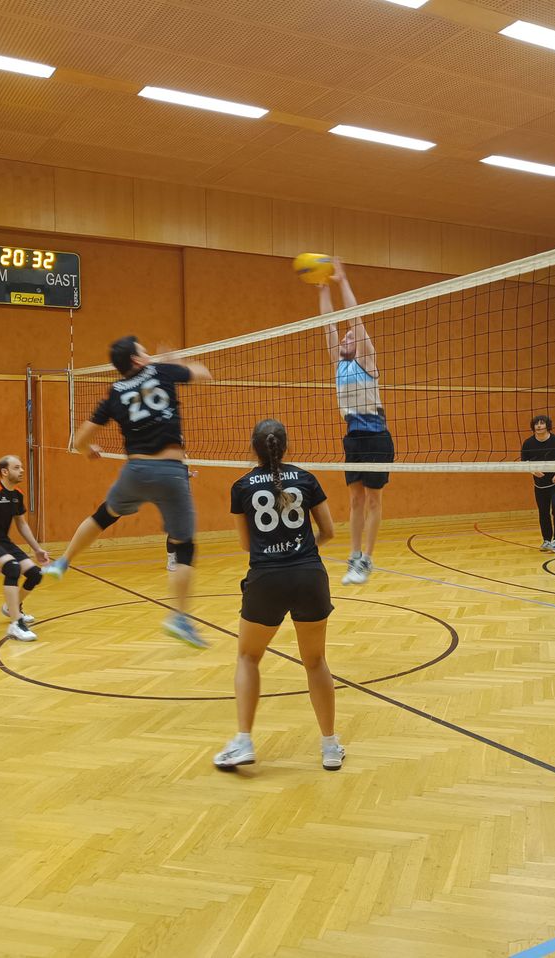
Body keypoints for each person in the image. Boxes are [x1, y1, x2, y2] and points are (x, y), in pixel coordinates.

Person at [43, 336, 212, 648]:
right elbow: (204, 373)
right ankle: (180, 618)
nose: (148, 353)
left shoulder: (114, 392)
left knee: (104, 514)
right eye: (143, 350)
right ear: (136, 360)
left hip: (135, 472)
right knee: (184, 546)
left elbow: (79, 438)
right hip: (171, 472)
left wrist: (87, 450)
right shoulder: (162, 371)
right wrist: (173, 361)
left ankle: (62, 562)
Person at [214, 419, 344, 771]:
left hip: (266, 580)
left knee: (248, 657)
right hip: (309, 577)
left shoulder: (240, 486)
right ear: (285, 446)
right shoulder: (306, 479)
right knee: (315, 662)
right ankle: (330, 747)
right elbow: (329, 532)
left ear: (253, 447)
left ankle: (243, 741)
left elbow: (245, 544)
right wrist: (299, 552)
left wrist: (275, 554)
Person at [321, 259, 393, 585]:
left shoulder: (367, 359)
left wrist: (342, 281)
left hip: (376, 436)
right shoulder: (338, 363)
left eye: (350, 335)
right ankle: (352, 555)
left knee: (374, 499)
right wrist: (323, 289)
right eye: (345, 337)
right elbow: (328, 324)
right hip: (352, 437)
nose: (346, 337)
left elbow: (355, 317)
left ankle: (367, 558)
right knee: (355, 499)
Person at [0, 455, 49, 642]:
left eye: (21, 467)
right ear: (5, 472)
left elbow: (21, 524)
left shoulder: (17, 495)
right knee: (12, 568)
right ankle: (16, 623)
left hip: (3, 541)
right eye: (16, 467)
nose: (21, 470)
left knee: (35, 574)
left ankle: (11, 607)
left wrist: (37, 549)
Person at [520, 415, 555, 553]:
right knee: (543, 512)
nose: (539, 426)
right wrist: (533, 470)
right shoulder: (528, 443)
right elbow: (525, 463)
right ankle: (546, 540)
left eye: (542, 423)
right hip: (540, 484)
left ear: (547, 425)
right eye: (536, 423)